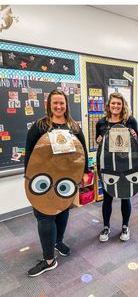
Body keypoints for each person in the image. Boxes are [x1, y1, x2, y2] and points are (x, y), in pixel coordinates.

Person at [25, 89, 88, 277]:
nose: (59, 106)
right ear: (49, 105)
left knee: (62, 211)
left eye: (62, 103)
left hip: (66, 180)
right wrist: (29, 180)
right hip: (43, 180)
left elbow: (82, 149)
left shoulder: (73, 126)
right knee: (45, 216)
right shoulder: (39, 126)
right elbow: (29, 153)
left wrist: (85, 172)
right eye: (55, 103)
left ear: (66, 104)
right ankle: (49, 259)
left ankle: (58, 241)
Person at [96, 92, 138, 242]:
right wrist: (99, 139)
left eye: (118, 104)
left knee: (125, 196)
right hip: (107, 165)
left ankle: (125, 226)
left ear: (123, 105)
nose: (116, 106)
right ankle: (106, 227)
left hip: (126, 164)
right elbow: (99, 142)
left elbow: (137, 142)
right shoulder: (101, 123)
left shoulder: (130, 121)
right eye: (113, 103)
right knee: (107, 198)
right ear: (109, 105)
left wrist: (134, 136)